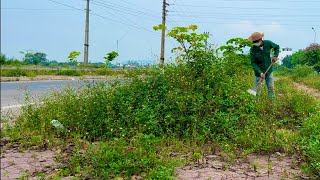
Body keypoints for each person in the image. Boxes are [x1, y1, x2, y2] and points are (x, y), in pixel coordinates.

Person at [248, 32, 280, 98]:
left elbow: (277, 47)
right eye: (254, 42)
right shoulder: (252, 49)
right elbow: (253, 63)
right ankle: (256, 104)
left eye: (256, 41)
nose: (255, 43)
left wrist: (275, 56)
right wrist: (260, 73)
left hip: (269, 70)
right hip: (258, 73)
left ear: (260, 39)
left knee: (271, 89)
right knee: (257, 91)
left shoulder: (268, 43)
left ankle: (272, 104)